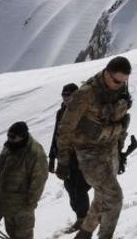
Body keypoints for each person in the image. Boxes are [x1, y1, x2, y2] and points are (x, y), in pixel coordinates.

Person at [54, 56, 133, 239]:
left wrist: (120, 151)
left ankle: (85, 233)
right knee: (114, 197)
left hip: (111, 149)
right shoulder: (85, 95)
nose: (119, 85)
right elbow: (65, 129)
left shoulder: (121, 89)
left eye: (123, 82)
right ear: (106, 73)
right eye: (116, 81)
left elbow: (121, 121)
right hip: (89, 153)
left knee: (102, 195)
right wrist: (63, 161)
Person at [48, 82, 90, 231]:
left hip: (80, 156)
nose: (65, 98)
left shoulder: (84, 111)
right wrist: (52, 157)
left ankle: (83, 219)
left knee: (80, 188)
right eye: (63, 95)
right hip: (65, 157)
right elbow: (56, 135)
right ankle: (80, 216)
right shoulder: (61, 112)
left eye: (68, 95)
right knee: (69, 188)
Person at [0, 121, 49, 239]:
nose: (9, 139)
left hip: (23, 206)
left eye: (13, 137)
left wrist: (30, 204)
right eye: (8, 136)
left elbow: (39, 180)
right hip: (8, 203)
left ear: (22, 136)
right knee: (11, 234)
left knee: (24, 235)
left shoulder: (35, 153)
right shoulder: (9, 147)